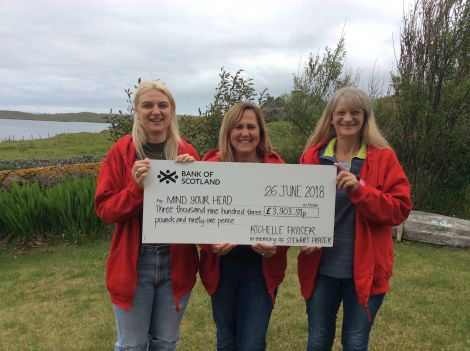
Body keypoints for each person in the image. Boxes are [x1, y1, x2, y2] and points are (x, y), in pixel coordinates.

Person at [297, 87, 412, 351]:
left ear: (365, 117)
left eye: (355, 112)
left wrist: (360, 190)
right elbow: (300, 209)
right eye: (341, 112)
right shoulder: (313, 157)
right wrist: (302, 237)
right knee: (317, 340)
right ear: (331, 118)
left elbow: (400, 209)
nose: (347, 118)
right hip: (321, 269)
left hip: (366, 272)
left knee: (356, 342)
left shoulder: (384, 157)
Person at [94, 80, 199, 351]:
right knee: (132, 345)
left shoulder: (186, 152)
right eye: (148, 105)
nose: (156, 111)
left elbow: (199, 211)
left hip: (176, 261)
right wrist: (137, 189)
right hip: (134, 262)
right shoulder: (121, 151)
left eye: (163, 105)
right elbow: (105, 209)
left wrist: (193, 175)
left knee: (166, 343)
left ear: (172, 111)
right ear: (136, 111)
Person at [199, 102, 288, 351]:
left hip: (260, 270)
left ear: (260, 131)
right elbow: (197, 219)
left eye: (251, 126)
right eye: (238, 127)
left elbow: (291, 221)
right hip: (221, 268)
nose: (245, 133)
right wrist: (210, 244)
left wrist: (277, 246)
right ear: (228, 131)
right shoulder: (211, 166)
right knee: (226, 341)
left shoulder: (277, 169)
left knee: (251, 343)